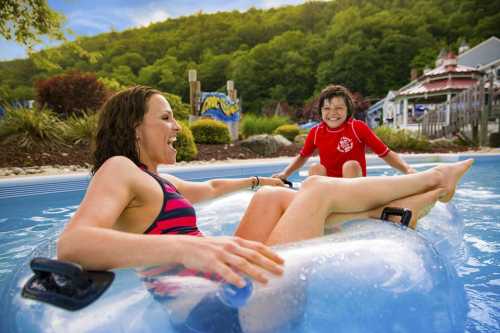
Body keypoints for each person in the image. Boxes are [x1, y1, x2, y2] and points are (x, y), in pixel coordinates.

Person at [57, 85, 473, 290]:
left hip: (221, 287)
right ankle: (436, 176)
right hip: (222, 309)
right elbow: (73, 244)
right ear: (134, 128)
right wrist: (186, 247)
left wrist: (258, 181)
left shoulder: (155, 179)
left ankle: (391, 211)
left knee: (276, 196)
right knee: (318, 190)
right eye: (165, 118)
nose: (176, 127)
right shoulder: (118, 169)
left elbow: (215, 185)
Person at [273, 85, 416, 180]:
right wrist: (285, 174)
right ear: (321, 111)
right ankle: (321, 204)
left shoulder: (357, 127)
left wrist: (407, 169)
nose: (332, 113)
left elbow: (385, 153)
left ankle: (351, 206)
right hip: (330, 189)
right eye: (327, 108)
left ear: (348, 110)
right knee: (315, 168)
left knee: (351, 165)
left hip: (354, 188)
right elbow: (302, 156)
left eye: (338, 108)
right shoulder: (316, 132)